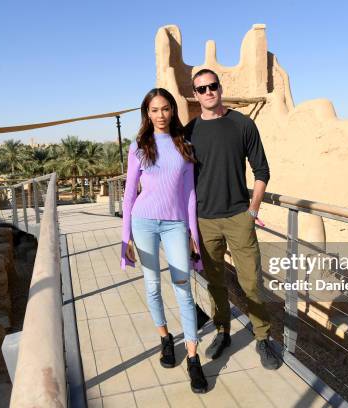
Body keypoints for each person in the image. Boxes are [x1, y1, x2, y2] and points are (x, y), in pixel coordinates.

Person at [185, 69, 280, 370]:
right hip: (205, 220)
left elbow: (262, 171)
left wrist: (253, 210)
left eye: (212, 86)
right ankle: (223, 331)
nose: (208, 92)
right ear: (195, 94)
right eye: (201, 89)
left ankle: (263, 338)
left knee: (251, 281)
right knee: (215, 282)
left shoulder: (242, 124)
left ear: (220, 88)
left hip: (240, 216)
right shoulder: (189, 132)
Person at [121, 88, 208, 393]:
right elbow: (130, 193)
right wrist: (125, 238)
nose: (160, 115)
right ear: (147, 114)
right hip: (143, 222)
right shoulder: (139, 146)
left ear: (173, 111)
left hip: (175, 226)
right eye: (154, 110)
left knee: (183, 290)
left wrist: (193, 236)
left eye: (165, 109)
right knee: (152, 285)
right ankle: (165, 339)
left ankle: (194, 360)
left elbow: (189, 195)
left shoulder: (184, 145)